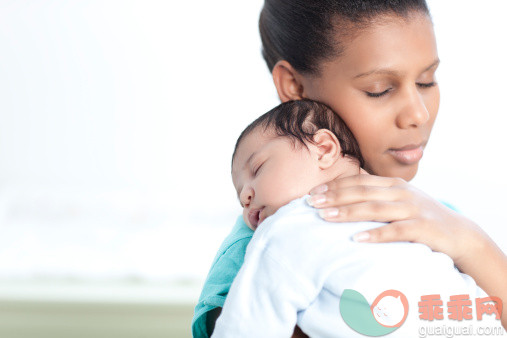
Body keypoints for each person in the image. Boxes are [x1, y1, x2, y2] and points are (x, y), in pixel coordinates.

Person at [191, 1, 507, 337]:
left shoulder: (440, 220)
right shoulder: (260, 253)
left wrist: (470, 243)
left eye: (427, 81)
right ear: (295, 87)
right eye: (379, 89)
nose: (418, 114)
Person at [211, 99, 499, 337]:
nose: (245, 197)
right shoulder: (283, 231)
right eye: (240, 194)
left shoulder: (290, 227)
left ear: (324, 148)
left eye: (258, 168)